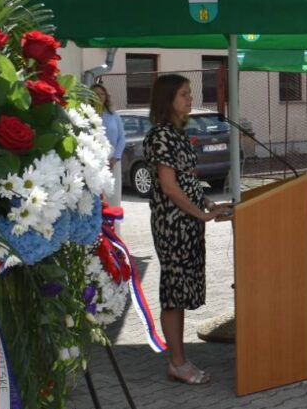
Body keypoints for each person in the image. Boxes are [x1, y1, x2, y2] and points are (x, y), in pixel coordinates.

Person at [144, 74, 230, 386]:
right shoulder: (160, 136)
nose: (190, 98)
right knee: (173, 293)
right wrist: (201, 214)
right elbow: (169, 187)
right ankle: (177, 363)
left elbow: (187, 181)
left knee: (180, 292)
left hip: (188, 223)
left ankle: (179, 360)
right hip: (172, 225)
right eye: (184, 94)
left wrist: (209, 204)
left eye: (190, 93)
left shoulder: (179, 133)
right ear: (168, 99)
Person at [93, 82, 125, 200]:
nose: (99, 97)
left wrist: (115, 157)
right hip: (95, 161)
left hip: (113, 160)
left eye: (102, 94)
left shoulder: (114, 115)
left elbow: (121, 138)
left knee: (113, 194)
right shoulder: (87, 115)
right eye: (96, 94)